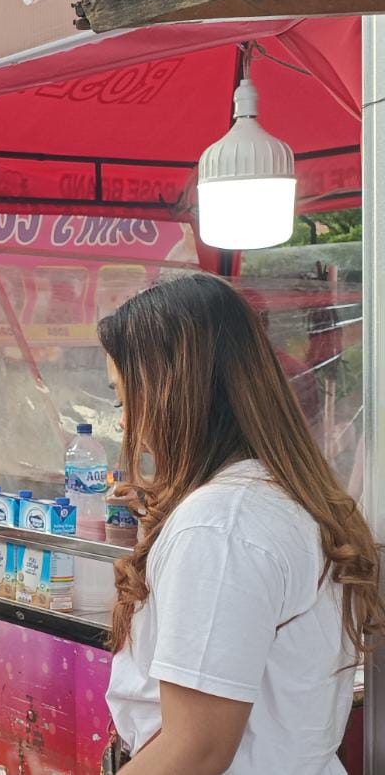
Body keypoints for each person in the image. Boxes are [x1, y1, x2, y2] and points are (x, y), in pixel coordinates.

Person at [99, 275, 384, 774]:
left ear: (174, 394)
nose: (124, 423)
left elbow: (196, 750)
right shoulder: (271, 496)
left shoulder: (220, 525)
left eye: (125, 400)